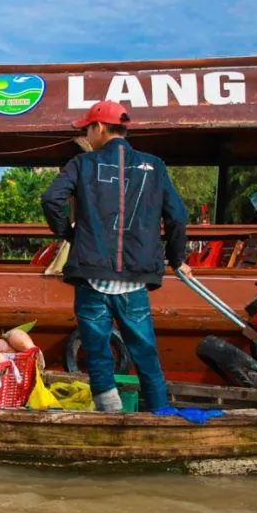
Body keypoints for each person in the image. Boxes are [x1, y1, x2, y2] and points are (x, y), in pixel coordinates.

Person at [40, 100, 190, 413]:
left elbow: (52, 199)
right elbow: (177, 215)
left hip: (92, 277)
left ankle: (110, 417)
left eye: (87, 129)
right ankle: (160, 415)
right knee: (145, 352)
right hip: (135, 279)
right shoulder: (154, 165)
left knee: (97, 352)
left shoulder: (82, 164)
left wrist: (68, 234)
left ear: (99, 128)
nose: (86, 135)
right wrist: (177, 260)